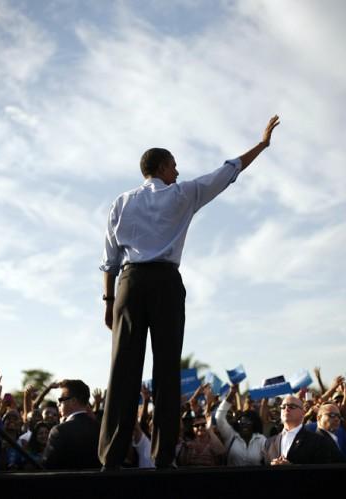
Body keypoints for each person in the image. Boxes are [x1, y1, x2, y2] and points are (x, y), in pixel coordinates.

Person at [98, 115, 281, 469]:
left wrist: (108, 303)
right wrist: (262, 144)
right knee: (167, 369)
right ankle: (163, 457)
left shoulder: (121, 202)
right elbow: (229, 171)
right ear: (163, 166)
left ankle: (110, 458)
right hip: (165, 282)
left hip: (129, 285)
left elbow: (108, 260)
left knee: (122, 371)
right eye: (175, 166)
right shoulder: (183, 194)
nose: (178, 172)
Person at [42, 379, 100, 470]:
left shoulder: (59, 431)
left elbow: (47, 465)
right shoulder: (99, 428)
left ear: (73, 401)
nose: (58, 404)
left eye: (60, 399)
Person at [264, 395, 334, 465]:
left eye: (292, 406)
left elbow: (323, 473)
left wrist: (292, 468)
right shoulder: (269, 443)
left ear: (303, 413)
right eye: (283, 407)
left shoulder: (318, 441)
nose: (286, 409)